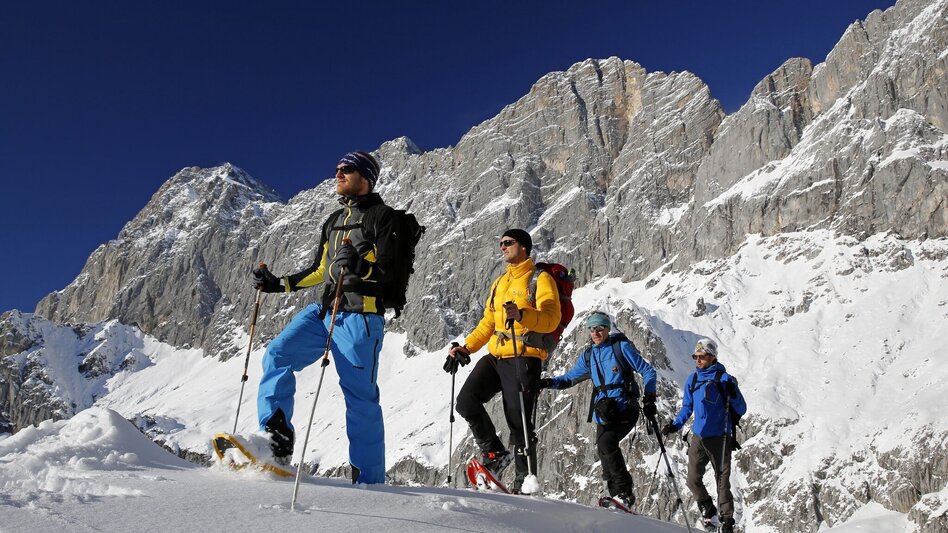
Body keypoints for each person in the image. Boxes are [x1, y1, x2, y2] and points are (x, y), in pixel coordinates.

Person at [251, 151, 394, 484]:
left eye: (347, 169)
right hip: (323, 313)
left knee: (360, 398)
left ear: (366, 177)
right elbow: (320, 270)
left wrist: (361, 266)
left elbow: (391, 271)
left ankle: (370, 480)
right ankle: (276, 441)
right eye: (337, 168)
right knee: (277, 355)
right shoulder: (333, 222)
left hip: (361, 317)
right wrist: (279, 284)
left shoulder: (384, 218)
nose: (338, 173)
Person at [444, 229, 561, 493]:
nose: (502, 247)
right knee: (466, 401)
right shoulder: (500, 282)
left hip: (524, 356)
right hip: (496, 355)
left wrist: (521, 315)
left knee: (517, 419)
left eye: (508, 243)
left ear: (524, 247)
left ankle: (524, 481)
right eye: (501, 244)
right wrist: (466, 348)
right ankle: (495, 454)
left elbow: (551, 318)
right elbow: (488, 322)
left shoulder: (538, 279)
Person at [539, 311, 657, 508]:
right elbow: (569, 379)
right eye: (592, 329)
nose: (595, 332)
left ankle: (624, 493)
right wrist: (546, 383)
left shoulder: (621, 347)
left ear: (607, 330)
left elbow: (647, 370)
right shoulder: (589, 356)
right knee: (603, 448)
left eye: (599, 328)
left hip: (626, 407)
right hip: (604, 413)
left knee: (607, 442)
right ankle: (614, 497)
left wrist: (650, 397)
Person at [662, 338, 747, 533]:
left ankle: (727, 521)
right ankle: (709, 509)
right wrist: (675, 425)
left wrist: (733, 393)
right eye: (695, 357)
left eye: (701, 357)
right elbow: (687, 407)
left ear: (712, 357)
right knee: (692, 479)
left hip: (720, 437)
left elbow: (741, 408)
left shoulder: (725, 379)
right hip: (699, 437)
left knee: (722, 481)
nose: (698, 360)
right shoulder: (692, 379)